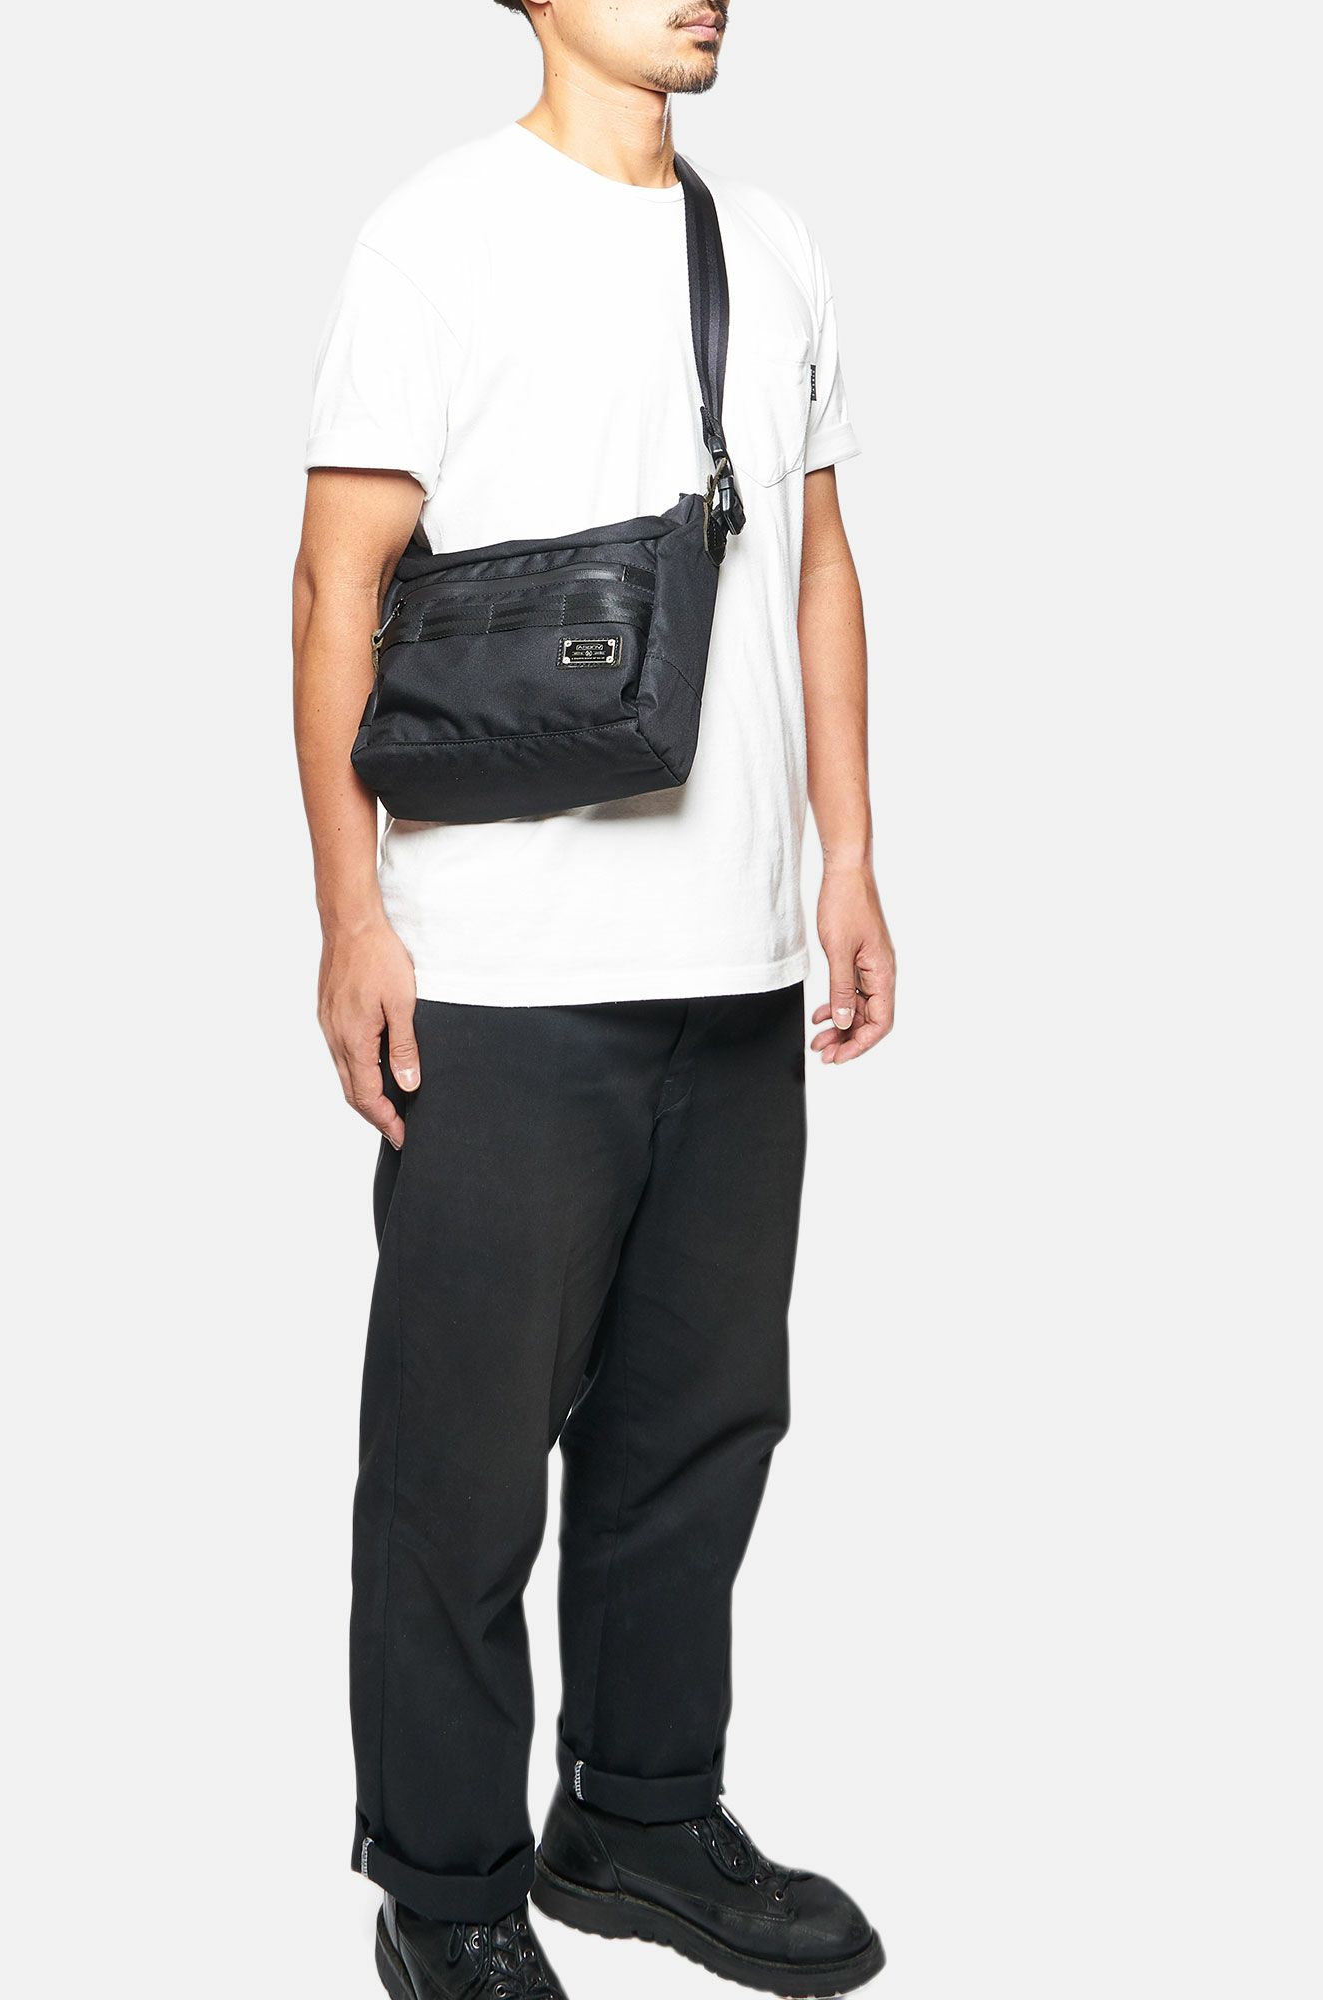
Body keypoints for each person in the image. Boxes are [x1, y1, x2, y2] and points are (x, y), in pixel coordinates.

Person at [293, 3, 895, 1993]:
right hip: (502, 975)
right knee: (459, 1470)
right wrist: (352, 918)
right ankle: (448, 1890)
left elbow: (816, 562)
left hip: (736, 964)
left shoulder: (769, 246)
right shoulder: (436, 238)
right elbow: (336, 581)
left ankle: (635, 1815)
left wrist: (847, 857)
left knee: (697, 1432)